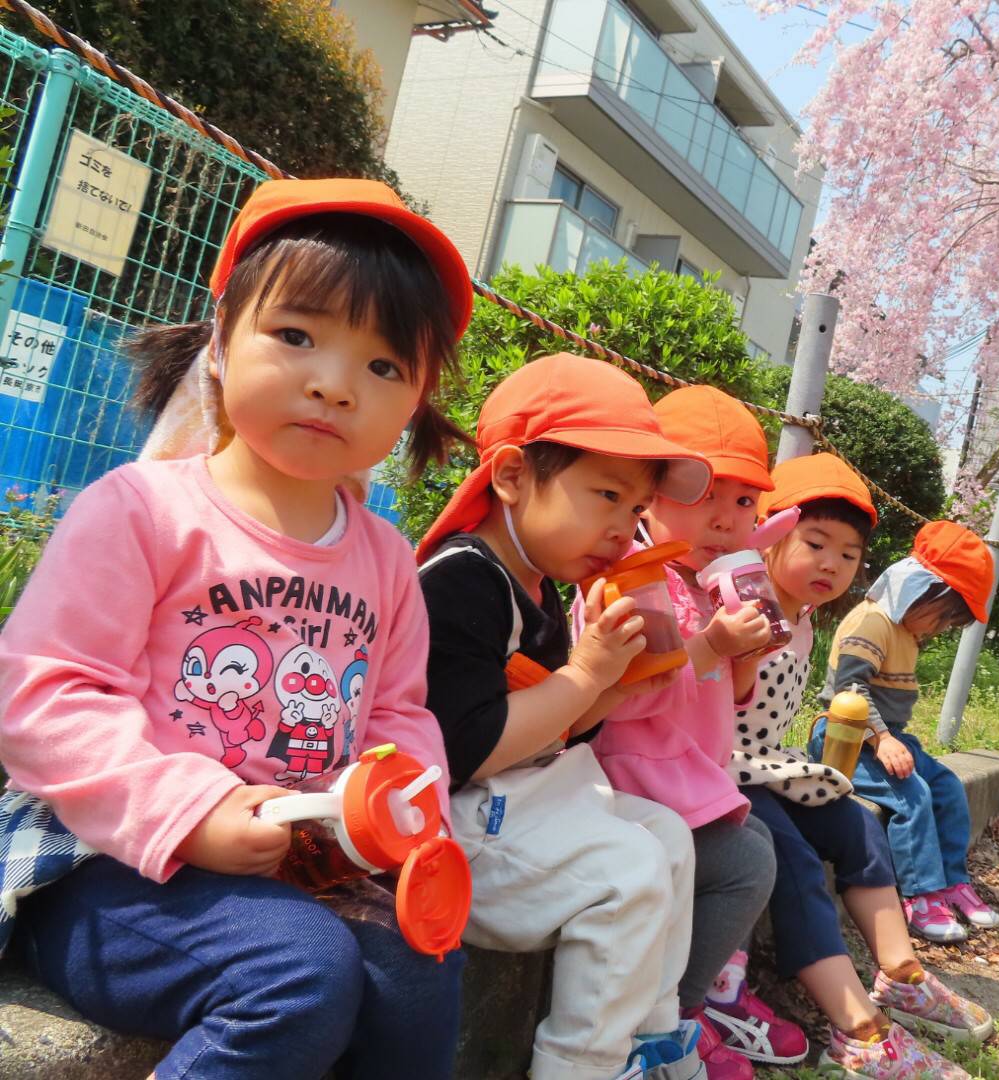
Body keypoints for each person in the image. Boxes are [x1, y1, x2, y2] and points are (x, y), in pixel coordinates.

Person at [0, 178, 474, 1080]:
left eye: (384, 367)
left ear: (415, 400)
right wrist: (193, 813)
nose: (334, 384)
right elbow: (45, 694)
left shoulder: (384, 558)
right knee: (296, 969)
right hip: (111, 865)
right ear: (220, 344)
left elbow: (397, 717)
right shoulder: (142, 511)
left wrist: (397, 811)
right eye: (295, 336)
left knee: (422, 959)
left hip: (297, 864)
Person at [416, 353, 716, 1080]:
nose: (624, 529)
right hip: (454, 841)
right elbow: (468, 748)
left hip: (520, 813)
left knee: (668, 836)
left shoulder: (538, 583)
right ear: (513, 476)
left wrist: (608, 692)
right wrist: (583, 676)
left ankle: (653, 1032)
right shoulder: (460, 582)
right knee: (632, 866)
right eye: (606, 495)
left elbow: (550, 728)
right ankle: (582, 1066)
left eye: (636, 510)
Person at [724, 454, 993, 1080]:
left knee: (859, 826)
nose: (830, 565)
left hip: (770, 763)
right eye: (814, 543)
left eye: (847, 555)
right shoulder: (740, 601)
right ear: (769, 535)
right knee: (787, 855)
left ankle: (899, 974)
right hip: (722, 768)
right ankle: (858, 1029)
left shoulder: (803, 616)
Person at [583, 385, 807, 1076]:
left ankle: (702, 992)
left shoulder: (711, 581)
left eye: (745, 502)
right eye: (707, 489)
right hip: (631, 781)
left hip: (686, 779)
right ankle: (675, 1019)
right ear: (654, 491)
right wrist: (710, 644)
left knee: (758, 840)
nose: (725, 516)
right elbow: (624, 703)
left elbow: (726, 702)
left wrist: (744, 657)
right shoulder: (638, 578)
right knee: (748, 862)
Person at [816, 523, 999, 943]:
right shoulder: (873, 622)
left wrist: (888, 738)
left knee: (947, 786)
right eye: (944, 615)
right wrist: (882, 740)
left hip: (885, 737)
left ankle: (951, 880)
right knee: (911, 795)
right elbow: (849, 690)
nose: (940, 628)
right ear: (921, 591)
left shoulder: (905, 630)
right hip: (845, 738)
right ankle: (918, 895)